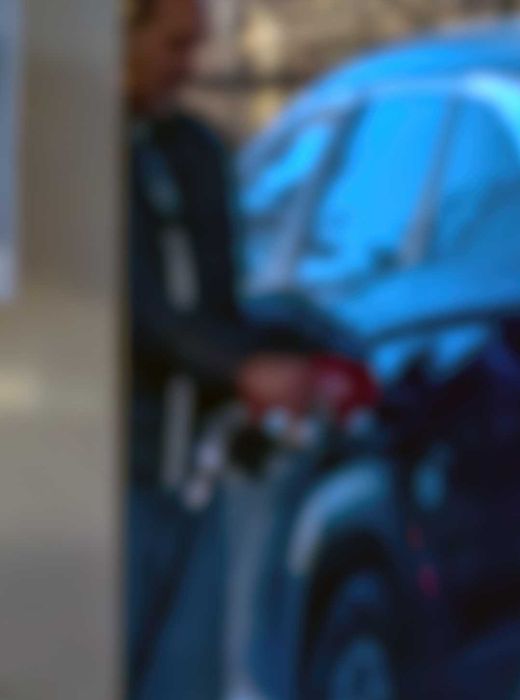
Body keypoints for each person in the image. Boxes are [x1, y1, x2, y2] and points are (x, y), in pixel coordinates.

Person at [124, 0, 323, 695]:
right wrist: (240, 367)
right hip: (118, 472)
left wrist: (291, 352)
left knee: (187, 675)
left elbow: (218, 303)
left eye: (196, 46)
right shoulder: (77, 156)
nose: (188, 67)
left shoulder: (193, 151)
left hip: (196, 473)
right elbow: (133, 306)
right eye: (174, 45)